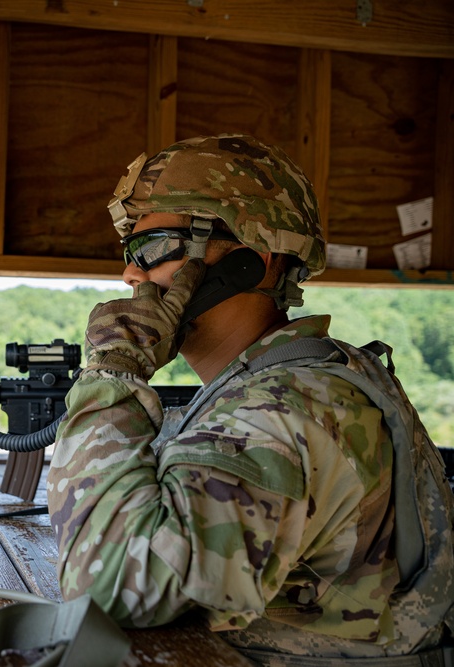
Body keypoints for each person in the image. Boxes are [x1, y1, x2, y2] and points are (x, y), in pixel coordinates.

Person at [46, 134, 454, 666]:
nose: (130, 273)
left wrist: (111, 371)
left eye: (152, 249)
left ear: (252, 262)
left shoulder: (288, 408)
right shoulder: (292, 380)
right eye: (128, 252)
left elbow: (111, 585)